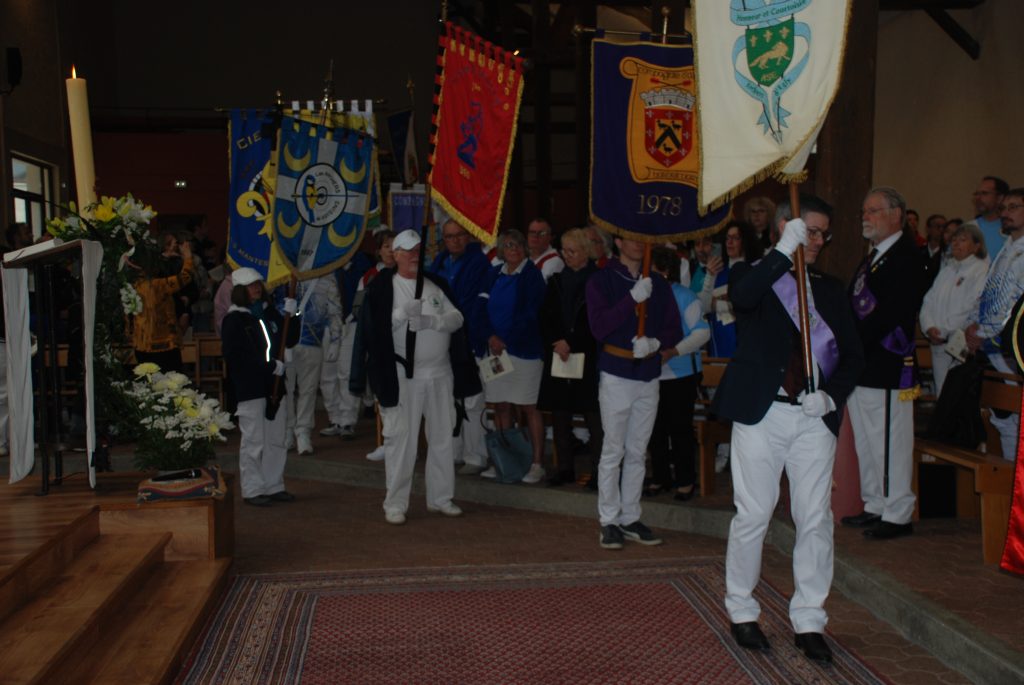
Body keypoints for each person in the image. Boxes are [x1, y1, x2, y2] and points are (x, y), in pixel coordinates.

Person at [714, 195, 863, 663]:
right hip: (763, 414)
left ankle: (810, 618)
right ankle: (742, 609)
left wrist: (831, 397)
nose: (817, 241)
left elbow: (853, 356)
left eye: (822, 233)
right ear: (785, 227)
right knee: (754, 513)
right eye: (809, 231)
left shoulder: (830, 289)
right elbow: (743, 297)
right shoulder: (752, 274)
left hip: (813, 417)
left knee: (815, 518)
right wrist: (782, 253)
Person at [349, 229, 481, 525]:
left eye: (417, 250)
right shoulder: (382, 288)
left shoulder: (435, 285)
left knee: (442, 438)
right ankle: (395, 503)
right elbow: (372, 332)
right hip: (403, 377)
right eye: (407, 250)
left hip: (440, 374)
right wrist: (398, 318)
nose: (413, 256)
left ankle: (441, 497)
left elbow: (457, 318)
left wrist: (431, 321)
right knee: (402, 441)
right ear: (394, 254)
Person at [586, 235, 682, 550]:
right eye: (632, 237)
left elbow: (674, 328)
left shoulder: (658, 283)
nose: (640, 243)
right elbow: (600, 327)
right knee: (613, 450)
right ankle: (609, 520)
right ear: (617, 240)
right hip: (616, 372)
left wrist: (656, 343)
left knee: (638, 451)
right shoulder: (601, 280)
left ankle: (630, 516)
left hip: (648, 373)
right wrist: (631, 298)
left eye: (643, 238)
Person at [843, 187, 927, 540]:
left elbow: (893, 312)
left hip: (888, 363)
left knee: (889, 441)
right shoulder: (874, 257)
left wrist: (854, 342)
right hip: (865, 363)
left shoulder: (907, 255)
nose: (866, 217)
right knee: (866, 440)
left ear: (896, 215)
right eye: (864, 211)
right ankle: (875, 503)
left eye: (873, 210)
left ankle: (897, 513)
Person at [220, 267, 300, 506]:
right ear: (239, 291)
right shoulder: (234, 320)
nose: (256, 289)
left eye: (258, 284)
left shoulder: (269, 313)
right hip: (251, 387)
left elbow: (289, 338)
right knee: (254, 441)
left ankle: (274, 484)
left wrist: (293, 315)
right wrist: (270, 367)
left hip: (275, 386)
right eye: (251, 286)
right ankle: (253, 489)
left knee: (276, 438)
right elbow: (238, 357)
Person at [477, 229, 548, 484]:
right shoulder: (493, 274)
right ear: (501, 250)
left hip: (524, 352)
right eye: (508, 245)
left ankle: (537, 464)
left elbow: (531, 313)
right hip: (495, 351)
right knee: (501, 406)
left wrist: (506, 340)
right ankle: (504, 462)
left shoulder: (532, 275)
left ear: (525, 248)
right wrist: (490, 337)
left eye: (517, 244)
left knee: (529, 407)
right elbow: (480, 309)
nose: (513, 249)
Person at [537, 228, 603, 487]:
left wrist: (572, 342)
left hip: (588, 355)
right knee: (560, 414)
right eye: (564, 250)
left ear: (586, 251)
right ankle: (565, 469)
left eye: (572, 251)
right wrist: (557, 342)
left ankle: (598, 472)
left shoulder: (597, 280)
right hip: (559, 354)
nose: (566, 256)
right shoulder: (556, 280)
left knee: (593, 416)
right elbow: (546, 316)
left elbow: (595, 321)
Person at [645, 246, 709, 501]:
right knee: (655, 429)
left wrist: (674, 351)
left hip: (681, 373)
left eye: (651, 269)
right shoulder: (645, 295)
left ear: (664, 270)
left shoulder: (684, 295)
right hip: (653, 372)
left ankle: (685, 480)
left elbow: (702, 332)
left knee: (680, 429)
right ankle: (660, 477)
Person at [965, 187, 1024, 460]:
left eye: (1013, 207)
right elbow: (989, 293)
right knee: (1003, 418)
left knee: (1015, 417)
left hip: (1010, 347)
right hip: (991, 346)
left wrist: (987, 332)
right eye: (1004, 208)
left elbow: (1015, 304)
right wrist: (973, 324)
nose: (1005, 213)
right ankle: (1011, 477)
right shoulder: (1006, 248)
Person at [428, 219, 492, 474]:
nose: (454, 241)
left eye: (458, 235)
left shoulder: (479, 263)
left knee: (473, 401)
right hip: (442, 340)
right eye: (448, 236)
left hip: (469, 338)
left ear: (468, 236)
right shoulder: (439, 262)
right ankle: (453, 453)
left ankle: (476, 456)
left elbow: (475, 304)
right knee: (449, 400)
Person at [919, 223, 988, 396]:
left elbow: (972, 305)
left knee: (958, 395)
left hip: (960, 341)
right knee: (941, 393)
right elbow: (928, 300)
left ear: (977, 246)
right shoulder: (947, 269)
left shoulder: (981, 269)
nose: (956, 243)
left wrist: (943, 330)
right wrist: (929, 327)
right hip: (938, 341)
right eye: (954, 240)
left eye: (963, 240)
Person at [283, 274, 342, 455]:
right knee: (286, 391)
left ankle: (303, 432)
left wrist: (335, 340)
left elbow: (334, 311)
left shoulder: (326, 278)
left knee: (308, 390)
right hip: (285, 343)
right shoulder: (283, 276)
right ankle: (287, 429)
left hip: (312, 341)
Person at [699, 221, 764, 359]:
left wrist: (717, 304)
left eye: (735, 238)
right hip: (719, 341)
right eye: (728, 238)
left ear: (745, 241)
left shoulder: (754, 270)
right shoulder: (717, 271)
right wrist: (709, 276)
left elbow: (752, 307)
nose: (729, 242)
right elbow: (703, 306)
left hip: (744, 340)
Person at [130, 239, 195, 372]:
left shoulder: (132, 287)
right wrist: (188, 257)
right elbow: (185, 276)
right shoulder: (158, 286)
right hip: (164, 345)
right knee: (170, 381)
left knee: (148, 380)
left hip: (141, 344)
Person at [967, 176, 1009, 262]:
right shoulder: (967, 229)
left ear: (999, 198)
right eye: (976, 194)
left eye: (984, 193)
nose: (978, 198)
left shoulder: (1013, 228)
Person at [920, 213, 947, 287]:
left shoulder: (948, 253)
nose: (941, 230)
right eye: (938, 227)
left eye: (944, 227)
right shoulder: (918, 252)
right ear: (928, 229)